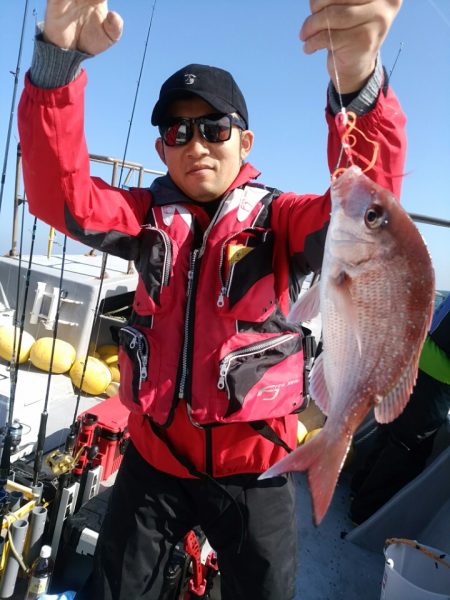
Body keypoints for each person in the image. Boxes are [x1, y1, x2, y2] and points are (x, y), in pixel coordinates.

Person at [18, 1, 405, 598]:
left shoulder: (283, 219)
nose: (196, 143)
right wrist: (56, 68)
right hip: (154, 461)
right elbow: (56, 195)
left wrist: (358, 86)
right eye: (178, 131)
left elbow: (368, 210)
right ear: (162, 150)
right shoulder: (144, 216)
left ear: (244, 140)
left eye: (214, 128)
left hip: (258, 470)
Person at [350, 293, 450, 524]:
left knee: (393, 431)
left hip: (414, 359)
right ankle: (366, 513)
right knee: (408, 447)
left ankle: (358, 490)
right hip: (436, 377)